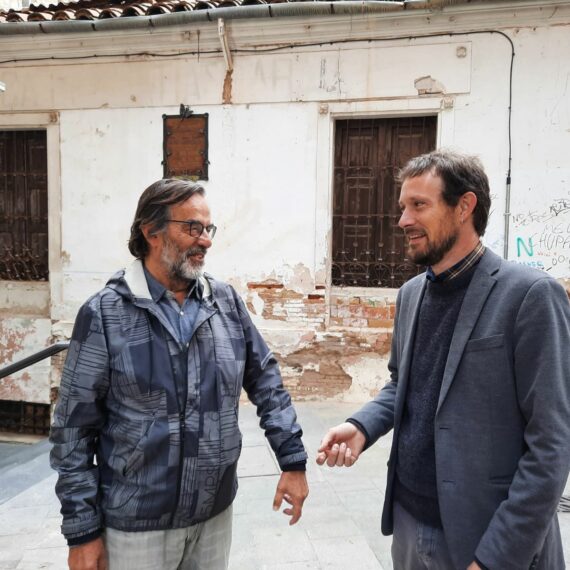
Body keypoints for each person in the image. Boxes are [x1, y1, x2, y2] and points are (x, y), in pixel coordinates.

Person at [317, 150, 570, 570]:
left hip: (485, 534)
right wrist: (362, 427)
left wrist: (495, 558)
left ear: (464, 206)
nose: (403, 220)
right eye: (403, 207)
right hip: (408, 524)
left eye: (419, 205)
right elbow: (401, 384)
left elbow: (551, 445)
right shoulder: (411, 294)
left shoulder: (530, 295)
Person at [50, 179, 309, 570]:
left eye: (208, 228)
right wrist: (82, 531)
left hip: (213, 515)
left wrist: (292, 460)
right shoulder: (105, 314)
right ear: (151, 232)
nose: (206, 240)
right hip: (135, 527)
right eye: (192, 227)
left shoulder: (224, 302)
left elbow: (266, 381)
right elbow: (73, 429)